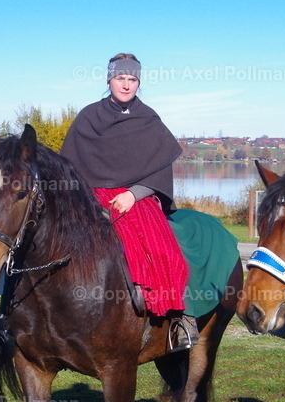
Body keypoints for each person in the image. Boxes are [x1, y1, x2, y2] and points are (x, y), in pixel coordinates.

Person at [60, 52, 195, 350]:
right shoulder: (88, 117)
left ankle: (177, 319)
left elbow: (161, 168)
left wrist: (133, 194)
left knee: (164, 251)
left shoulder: (148, 120)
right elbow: (69, 167)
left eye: (132, 79)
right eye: (120, 78)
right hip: (90, 197)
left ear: (138, 82)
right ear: (109, 80)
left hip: (135, 197)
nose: (126, 84)